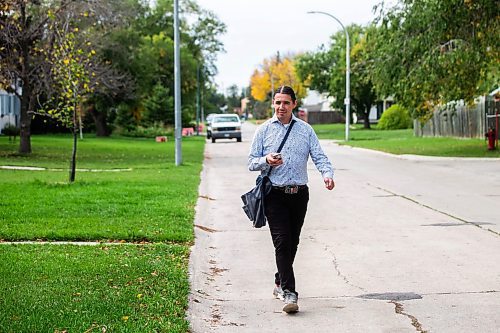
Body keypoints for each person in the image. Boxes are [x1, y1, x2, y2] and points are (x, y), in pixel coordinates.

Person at [248, 85, 335, 313]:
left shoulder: (305, 130)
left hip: (299, 195)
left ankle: (279, 281)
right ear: (273, 104)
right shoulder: (264, 130)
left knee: (292, 242)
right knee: (282, 242)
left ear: (294, 104)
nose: (281, 107)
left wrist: (327, 175)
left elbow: (319, 156)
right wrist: (266, 159)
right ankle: (289, 292)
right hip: (274, 194)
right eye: (277, 102)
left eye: (286, 102)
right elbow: (251, 162)